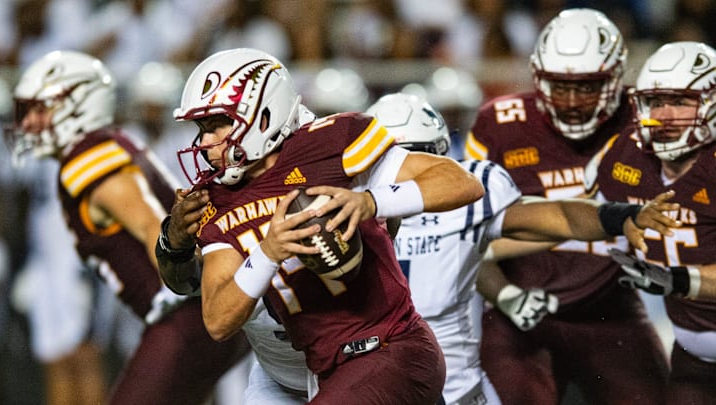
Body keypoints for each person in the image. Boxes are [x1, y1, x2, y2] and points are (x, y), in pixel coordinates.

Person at [159, 83, 678, 404]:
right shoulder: (244, 196)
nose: (393, 166)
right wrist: (174, 244)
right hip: (304, 366)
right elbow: (199, 294)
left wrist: (620, 216)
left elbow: (532, 215)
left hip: (398, 359)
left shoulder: (400, 190)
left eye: (412, 154)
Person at [5, 50, 248, 404]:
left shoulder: (86, 161)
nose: (29, 124)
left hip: (186, 313)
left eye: (40, 110)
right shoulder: (111, 144)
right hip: (200, 310)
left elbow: (154, 227)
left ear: (77, 105)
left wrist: (190, 296)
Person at [464, 8, 672, 404]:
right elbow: (467, 239)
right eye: (560, 86)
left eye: (588, 87)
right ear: (539, 79)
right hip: (518, 313)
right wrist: (506, 295)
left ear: (615, 80)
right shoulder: (500, 124)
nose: (573, 101)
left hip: (611, 310)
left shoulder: (644, 124)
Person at [588, 41, 716, 404]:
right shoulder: (627, 153)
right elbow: (580, 214)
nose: (664, 115)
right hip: (694, 357)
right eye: (655, 102)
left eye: (679, 101)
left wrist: (679, 278)